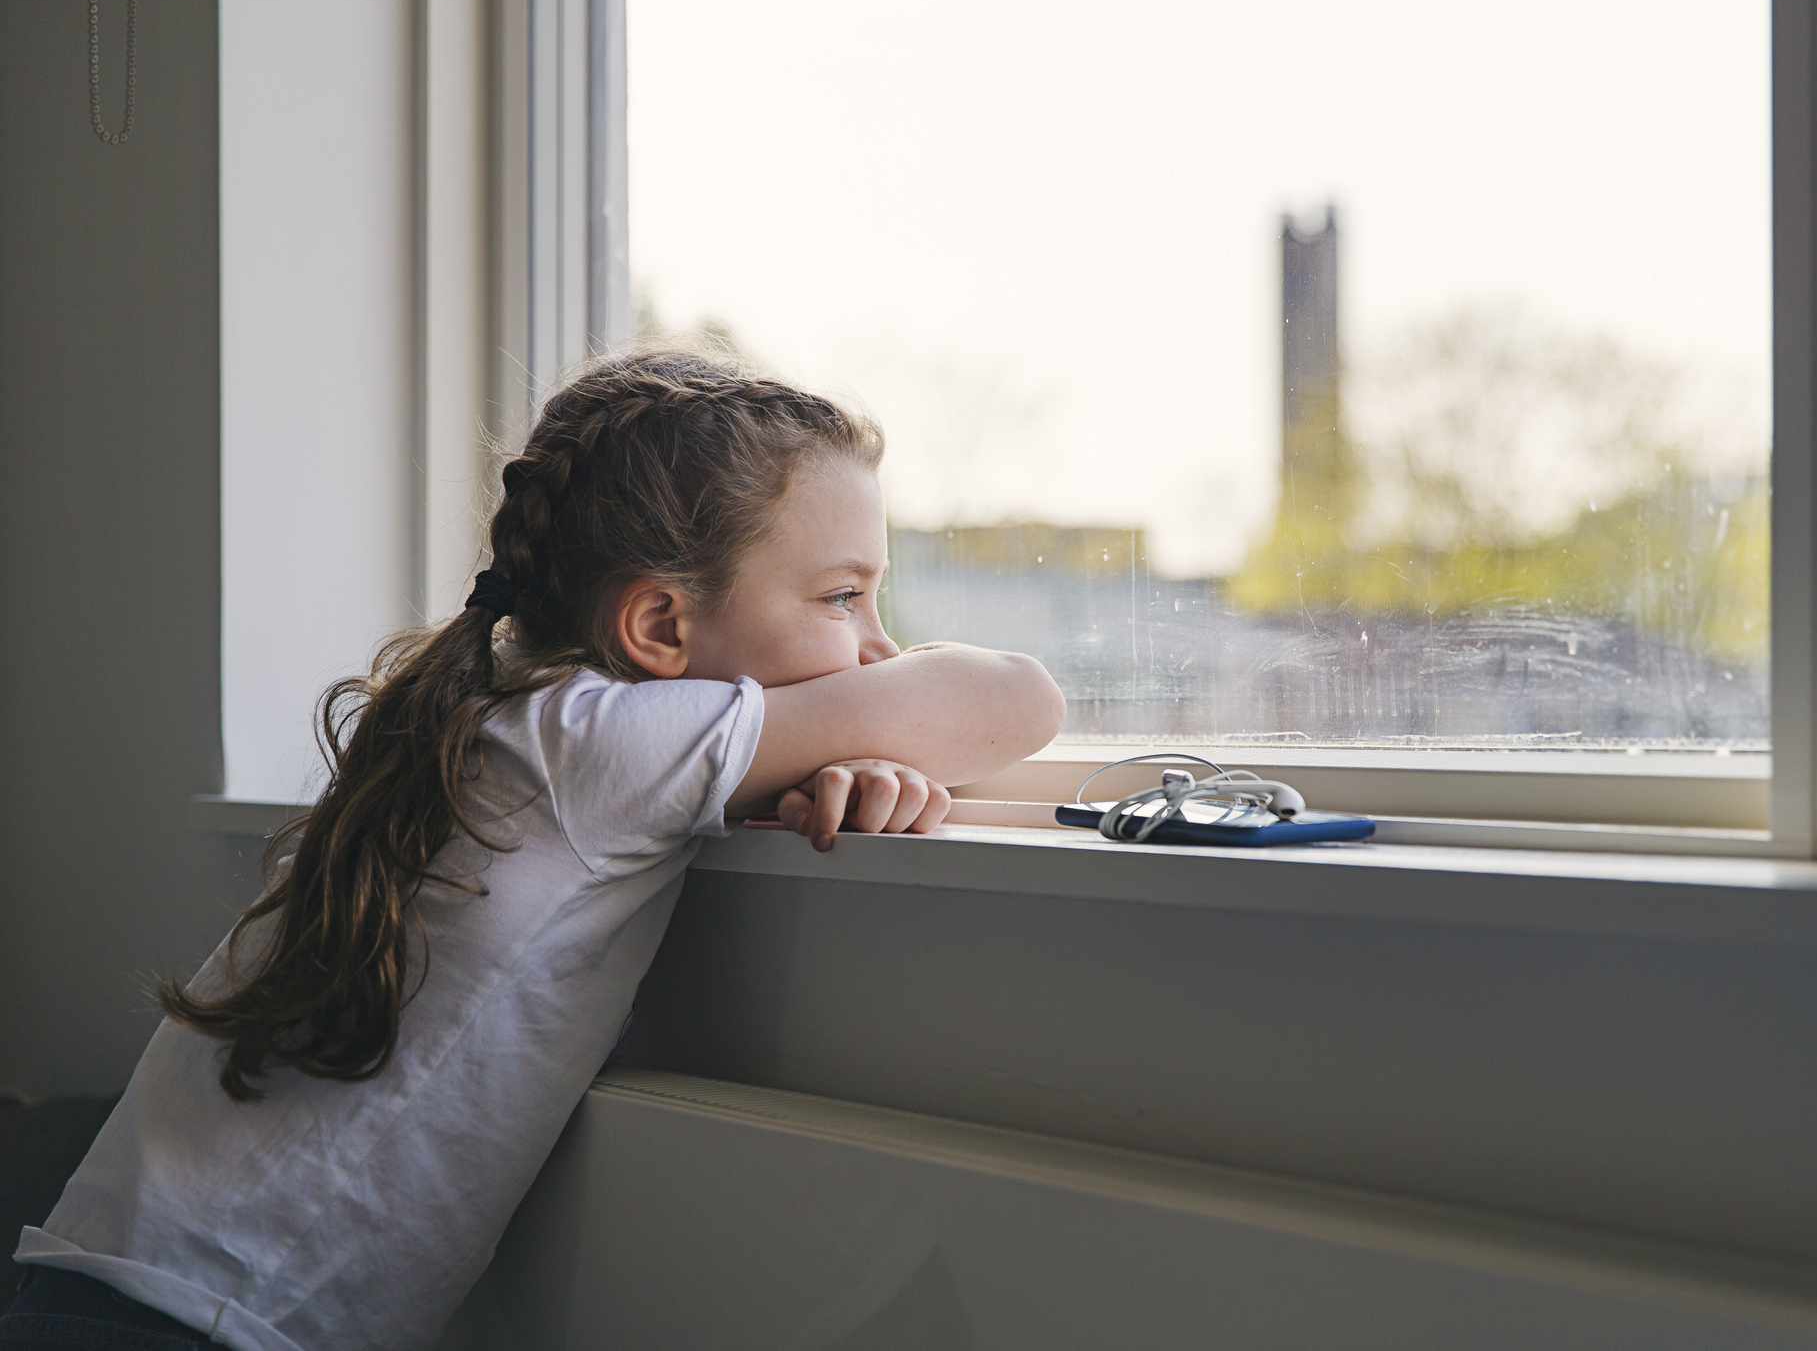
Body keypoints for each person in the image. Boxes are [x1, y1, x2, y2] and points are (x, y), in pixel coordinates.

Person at [2, 351, 1065, 1351]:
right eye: (843, 596)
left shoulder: (500, 718)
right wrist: (878, 721)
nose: (877, 646)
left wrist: (836, 758)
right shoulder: (587, 742)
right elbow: (1017, 700)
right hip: (200, 1323)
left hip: (121, 1282)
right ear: (657, 627)